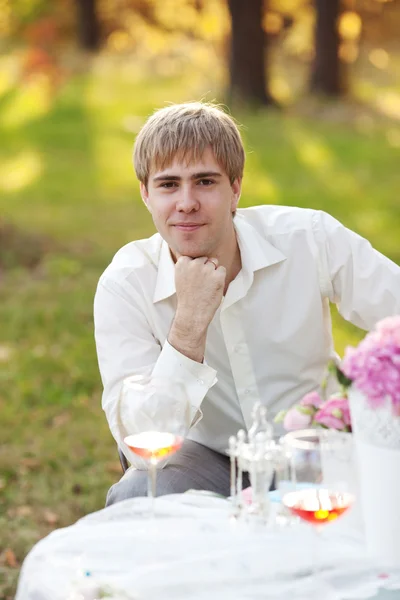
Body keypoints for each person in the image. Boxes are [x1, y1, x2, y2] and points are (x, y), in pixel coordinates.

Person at [94, 102, 400, 506]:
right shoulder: (125, 283)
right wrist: (189, 323)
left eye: (205, 182)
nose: (186, 202)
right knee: (138, 494)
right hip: (207, 461)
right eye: (169, 184)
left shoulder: (309, 237)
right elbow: (140, 445)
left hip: (317, 453)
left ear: (235, 188)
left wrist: (363, 409)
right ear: (146, 194)